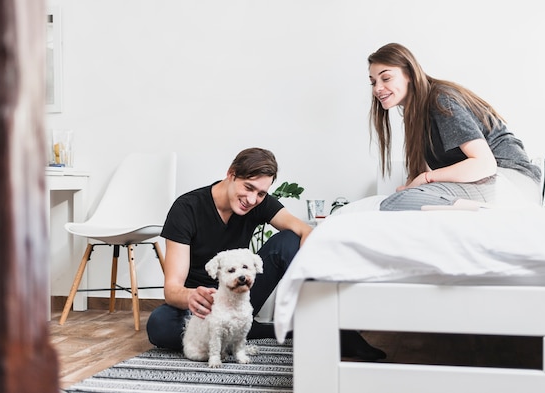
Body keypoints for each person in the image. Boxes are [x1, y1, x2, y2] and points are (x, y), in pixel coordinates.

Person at [146, 147, 386, 360]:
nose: (252, 199)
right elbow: (172, 288)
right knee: (160, 325)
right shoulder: (187, 208)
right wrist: (189, 296)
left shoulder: (258, 202)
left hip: (242, 293)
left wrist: (312, 265)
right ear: (231, 174)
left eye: (261, 193)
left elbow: (303, 230)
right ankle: (271, 330)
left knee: (289, 241)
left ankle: (335, 328)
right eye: (248, 187)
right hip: (205, 305)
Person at [368, 43, 541, 211]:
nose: (378, 88)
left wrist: (425, 179)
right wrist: (412, 186)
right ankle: (478, 212)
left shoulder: (441, 100)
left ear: (411, 75)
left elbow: (485, 164)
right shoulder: (415, 115)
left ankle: (489, 214)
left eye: (386, 78)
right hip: (492, 182)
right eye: (373, 82)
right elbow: (421, 172)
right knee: (401, 199)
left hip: (514, 182)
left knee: (398, 202)